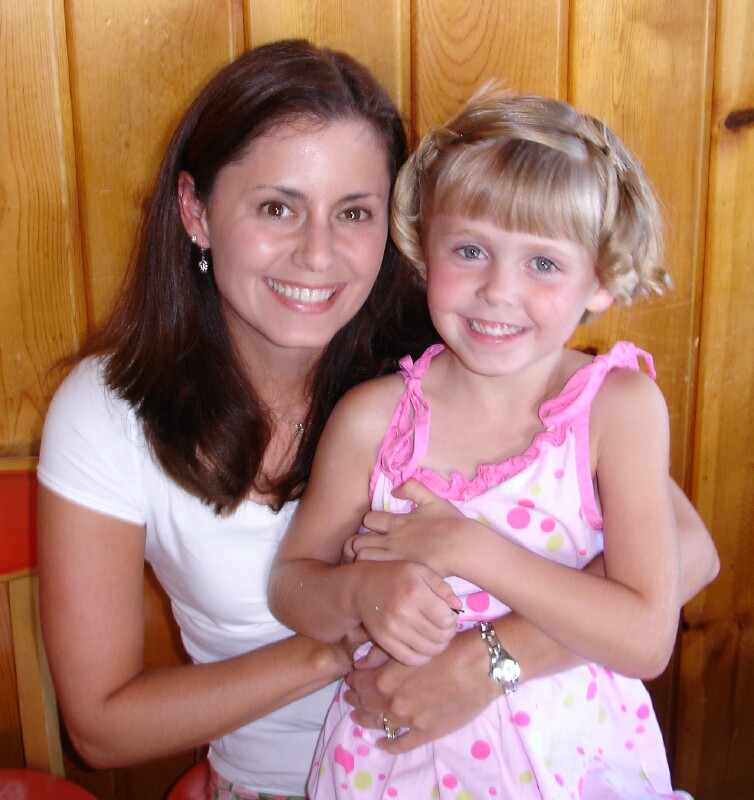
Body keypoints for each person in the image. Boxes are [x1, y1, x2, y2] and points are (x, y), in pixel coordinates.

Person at [35, 39, 717, 800]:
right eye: (277, 208)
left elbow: (688, 551)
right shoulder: (113, 409)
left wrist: (486, 662)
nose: (317, 254)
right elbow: (102, 728)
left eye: (354, 212)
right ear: (196, 211)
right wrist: (352, 644)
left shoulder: (466, 351)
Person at [269, 85, 709, 799]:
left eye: (544, 263)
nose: (498, 291)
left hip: (570, 768)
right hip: (391, 767)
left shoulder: (618, 412)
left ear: (600, 279)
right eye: (470, 250)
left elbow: (645, 636)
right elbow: (292, 586)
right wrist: (357, 591)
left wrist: (469, 549)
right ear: (423, 252)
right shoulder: (372, 420)